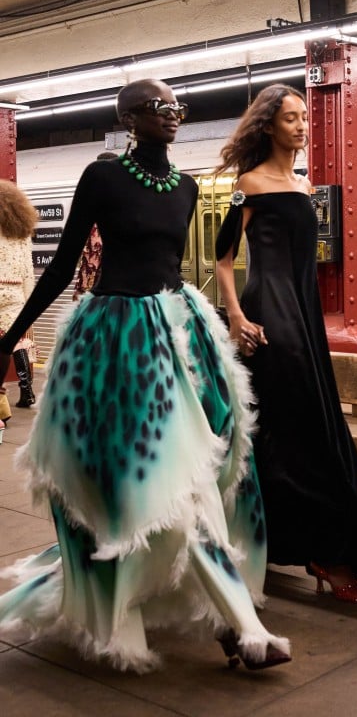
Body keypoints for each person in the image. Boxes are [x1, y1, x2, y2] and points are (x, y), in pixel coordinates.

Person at [0, 78, 290, 673]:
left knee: (204, 481)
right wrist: (7, 341)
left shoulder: (185, 187)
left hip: (178, 336)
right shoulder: (101, 178)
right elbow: (60, 267)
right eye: (160, 107)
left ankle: (238, 624)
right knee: (133, 490)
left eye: (177, 105)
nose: (173, 115)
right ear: (130, 117)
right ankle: (225, 625)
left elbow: (176, 262)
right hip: (112, 345)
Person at [214, 84, 357, 603]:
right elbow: (222, 257)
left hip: (303, 314)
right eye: (291, 119)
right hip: (268, 314)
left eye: (304, 118)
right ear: (268, 126)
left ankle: (279, 541)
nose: (301, 126)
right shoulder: (245, 185)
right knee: (302, 430)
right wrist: (234, 315)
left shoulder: (303, 186)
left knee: (287, 428)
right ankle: (327, 553)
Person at [0, 179, 38, 436]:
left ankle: (1, 409)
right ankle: (26, 390)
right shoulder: (21, 231)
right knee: (15, 344)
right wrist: (28, 306)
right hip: (14, 294)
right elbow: (28, 272)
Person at [71, 152, 117, 302]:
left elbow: (93, 254)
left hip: (104, 290)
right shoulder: (129, 202)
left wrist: (82, 289)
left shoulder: (99, 205)